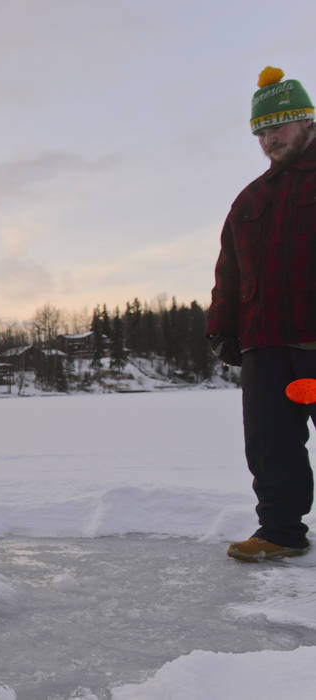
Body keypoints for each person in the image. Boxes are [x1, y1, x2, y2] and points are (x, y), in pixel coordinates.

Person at [206, 66, 316, 563]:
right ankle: (281, 532)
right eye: (263, 131)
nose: (272, 139)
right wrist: (223, 329)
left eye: (281, 127)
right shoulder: (250, 199)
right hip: (266, 345)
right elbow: (228, 271)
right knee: (270, 443)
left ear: (306, 122)